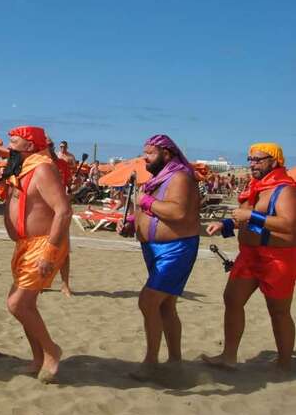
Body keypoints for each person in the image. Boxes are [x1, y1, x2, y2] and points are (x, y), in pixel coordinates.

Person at [202, 143, 296, 372]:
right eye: (250, 160)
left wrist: (250, 215)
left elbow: (288, 224)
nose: (252, 164)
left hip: (277, 258)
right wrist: (225, 224)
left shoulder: (285, 190)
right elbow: (243, 218)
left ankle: (284, 364)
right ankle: (228, 357)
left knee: (278, 311)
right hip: (249, 255)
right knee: (232, 299)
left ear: (275, 161)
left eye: (258, 160)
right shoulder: (255, 187)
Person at [118, 134, 200, 380]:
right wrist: (131, 223)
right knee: (166, 305)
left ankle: (151, 362)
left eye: (150, 153)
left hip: (176, 249)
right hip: (155, 249)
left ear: (166, 154)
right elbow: (150, 211)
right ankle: (175, 360)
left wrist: (144, 200)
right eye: (145, 152)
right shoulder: (157, 178)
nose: (145, 157)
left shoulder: (180, 177)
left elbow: (177, 212)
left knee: (148, 301)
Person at [2, 126, 71, 382]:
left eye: (14, 141)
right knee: (25, 306)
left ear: (30, 146)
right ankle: (38, 358)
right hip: (26, 244)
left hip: (44, 244)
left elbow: (63, 210)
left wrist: (49, 252)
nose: (9, 145)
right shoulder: (23, 170)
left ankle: (52, 351)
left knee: (17, 303)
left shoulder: (42, 168)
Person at [47, 137, 73, 297]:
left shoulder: (63, 164)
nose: (48, 148)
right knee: (42, 248)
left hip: (60, 211)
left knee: (63, 249)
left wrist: (71, 191)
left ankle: (65, 285)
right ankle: (42, 282)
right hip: (43, 212)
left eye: (50, 145)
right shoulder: (38, 165)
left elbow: (70, 185)